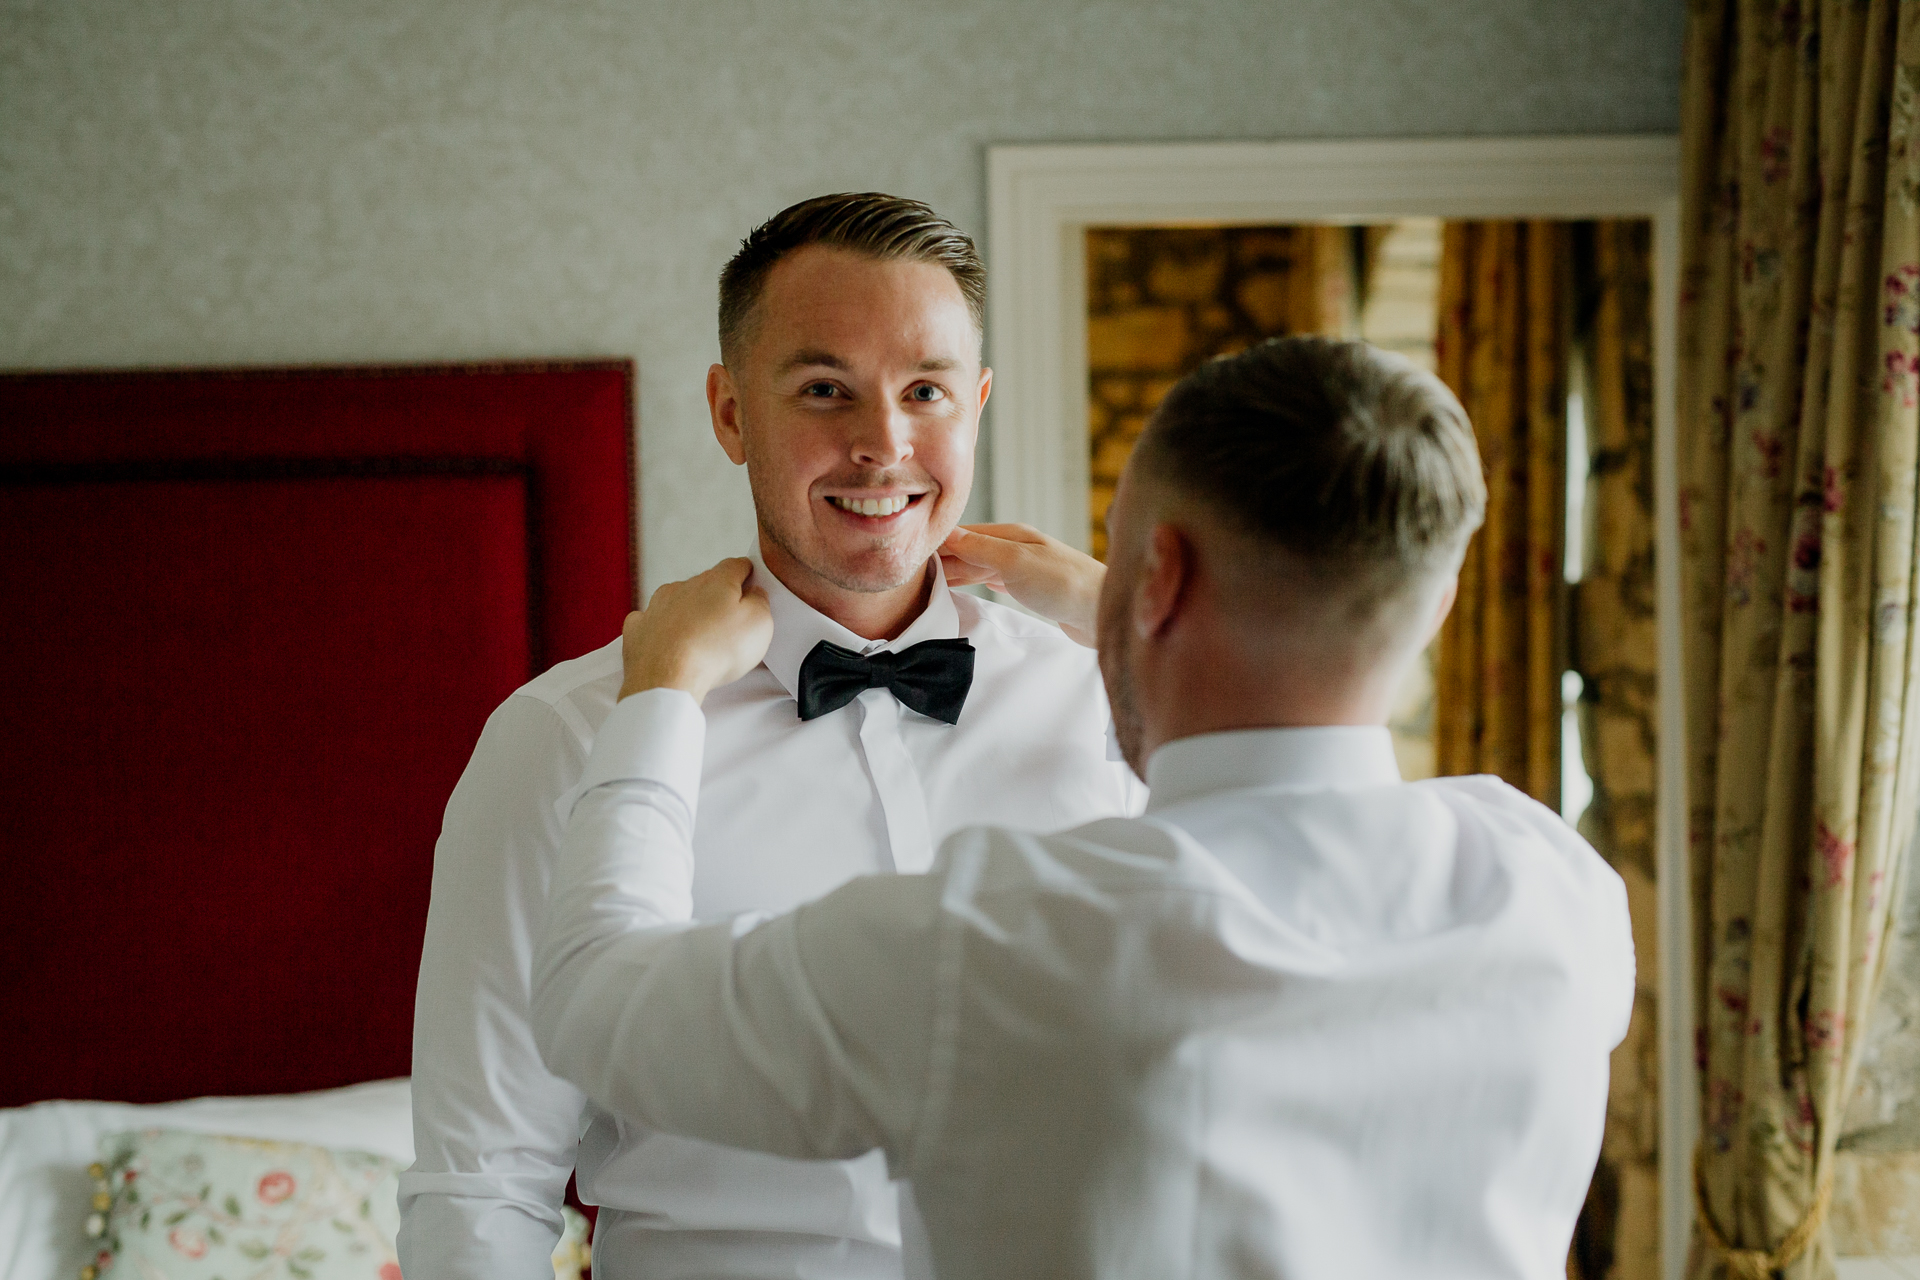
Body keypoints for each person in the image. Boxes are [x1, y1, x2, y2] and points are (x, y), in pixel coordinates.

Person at [530, 336, 1637, 1280]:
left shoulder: (1003, 937)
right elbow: (1270, 833)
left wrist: (662, 694)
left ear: (1158, 575)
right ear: (1438, 601)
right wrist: (1140, 614)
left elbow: (593, 1003)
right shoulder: (1557, 887)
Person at [399, 193, 1142, 1280]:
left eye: (925, 390)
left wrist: (1155, 644)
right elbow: (483, 1185)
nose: (883, 445)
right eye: (824, 389)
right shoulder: (565, 740)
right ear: (732, 411)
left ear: (976, 403)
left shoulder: (1112, 699)